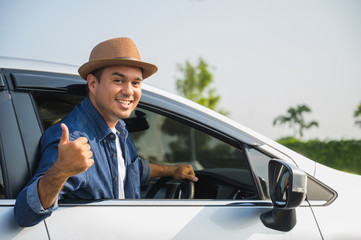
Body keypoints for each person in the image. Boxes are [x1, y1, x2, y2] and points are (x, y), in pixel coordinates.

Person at [14, 37, 198, 227]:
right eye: (118, 80)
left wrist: (172, 170)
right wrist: (61, 170)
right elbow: (24, 214)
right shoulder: (74, 140)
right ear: (93, 84)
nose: (129, 91)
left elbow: (131, 169)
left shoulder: (118, 129)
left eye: (136, 83)